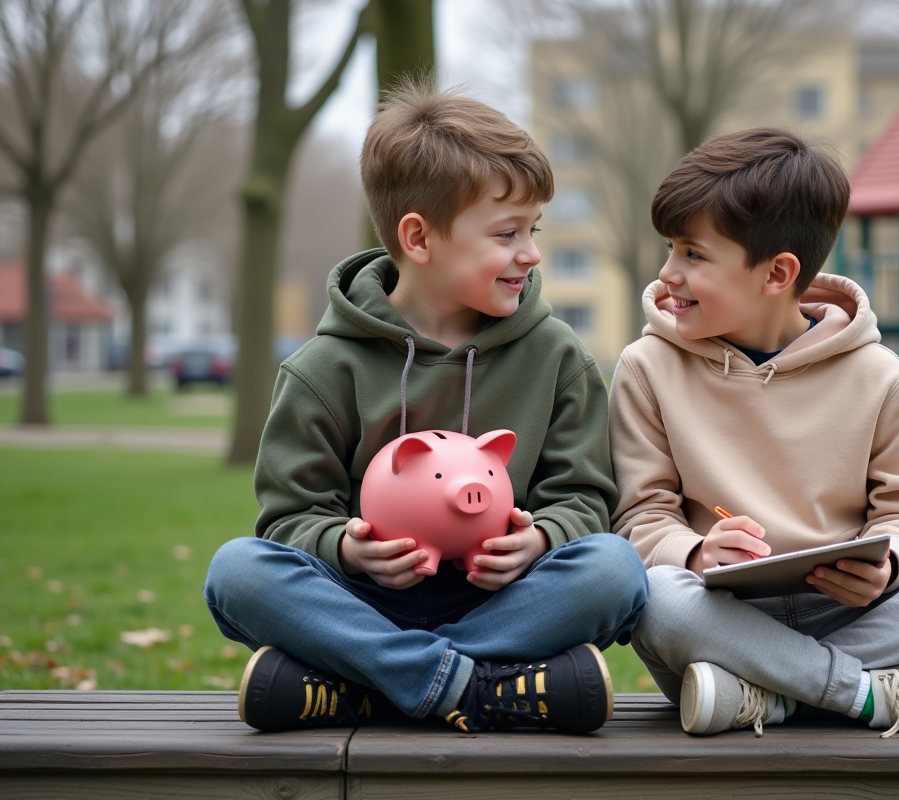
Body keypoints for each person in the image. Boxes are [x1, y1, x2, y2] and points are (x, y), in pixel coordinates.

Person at [204, 82, 647, 736]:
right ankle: (483, 686)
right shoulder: (323, 370)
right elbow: (289, 520)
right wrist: (348, 551)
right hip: (362, 602)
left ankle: (364, 686)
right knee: (236, 572)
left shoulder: (557, 357)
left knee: (616, 569)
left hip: (507, 601)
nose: (531, 253)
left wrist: (541, 539)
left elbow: (584, 497)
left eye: (534, 229)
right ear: (419, 237)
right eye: (507, 233)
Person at [609, 128, 899, 738]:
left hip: (850, 615)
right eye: (672, 249)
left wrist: (888, 565)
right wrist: (697, 553)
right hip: (720, 620)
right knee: (653, 595)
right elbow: (639, 518)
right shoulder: (645, 368)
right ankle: (867, 695)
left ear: (777, 273)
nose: (668, 272)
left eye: (693, 254)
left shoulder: (880, 376)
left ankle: (773, 699)